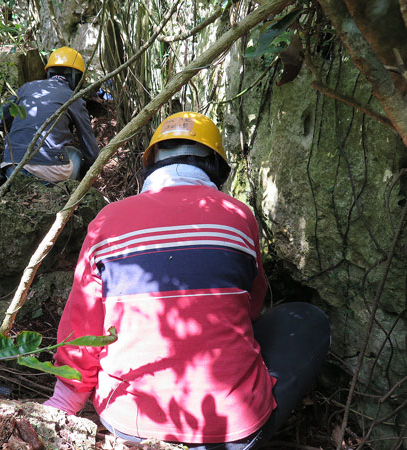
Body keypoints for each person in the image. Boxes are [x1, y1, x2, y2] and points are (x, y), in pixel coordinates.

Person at [44, 111, 331, 449]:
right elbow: (252, 307)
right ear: (216, 167)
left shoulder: (107, 221)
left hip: (127, 422)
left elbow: (83, 328)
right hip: (231, 431)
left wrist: (64, 403)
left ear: (149, 166)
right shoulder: (239, 216)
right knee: (306, 319)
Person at [0, 46, 100, 183]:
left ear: (49, 73)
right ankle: (66, 191)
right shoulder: (74, 98)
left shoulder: (26, 88)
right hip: (50, 172)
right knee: (75, 153)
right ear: (77, 78)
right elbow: (91, 152)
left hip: (12, 167)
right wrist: (86, 175)